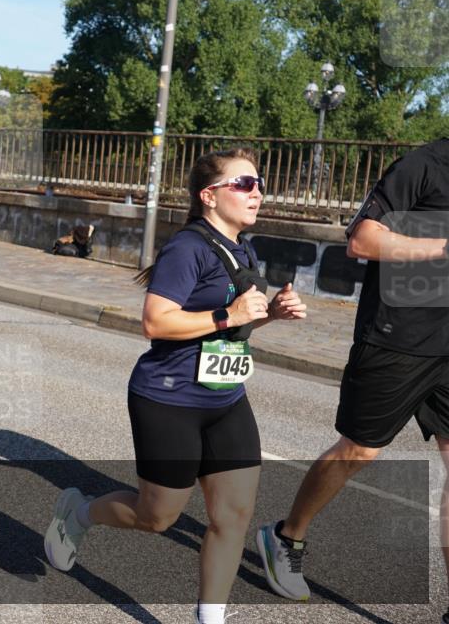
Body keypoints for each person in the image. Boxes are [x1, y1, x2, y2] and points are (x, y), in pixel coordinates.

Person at [43, 148, 307, 624]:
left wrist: (270, 317)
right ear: (210, 196)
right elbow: (155, 322)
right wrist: (231, 313)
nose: (257, 193)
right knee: (157, 517)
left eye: (260, 183)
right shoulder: (187, 249)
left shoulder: (242, 247)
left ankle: (209, 618)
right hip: (168, 399)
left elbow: (230, 329)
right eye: (244, 184)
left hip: (226, 399)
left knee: (233, 517)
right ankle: (77, 514)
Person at [256, 138, 449, 612]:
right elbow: (362, 239)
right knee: (359, 449)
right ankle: (287, 536)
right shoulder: (424, 165)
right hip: (396, 338)